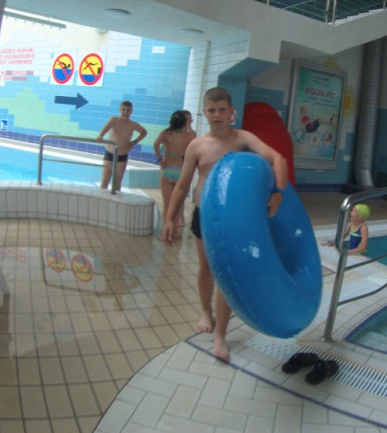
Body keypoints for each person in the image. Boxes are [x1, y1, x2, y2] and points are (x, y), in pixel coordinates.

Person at [159, 87, 287, 362]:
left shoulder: (244, 139)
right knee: (206, 268)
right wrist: (169, 218)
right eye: (211, 110)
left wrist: (278, 192)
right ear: (204, 112)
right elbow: (182, 185)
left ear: (231, 112)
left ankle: (221, 335)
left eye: (221, 110)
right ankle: (206, 311)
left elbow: (278, 159)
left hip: (234, 219)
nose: (216, 115)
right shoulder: (197, 146)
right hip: (204, 214)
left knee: (226, 274)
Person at [153, 110, 195, 242]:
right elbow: (194, 148)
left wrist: (160, 158)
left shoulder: (166, 133)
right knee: (176, 205)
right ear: (184, 122)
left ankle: (165, 234)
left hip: (167, 169)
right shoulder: (189, 136)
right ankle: (174, 233)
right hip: (180, 171)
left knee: (167, 205)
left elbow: (155, 144)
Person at [96, 101, 147, 192]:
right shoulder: (114, 119)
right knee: (105, 179)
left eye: (128, 110)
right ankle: (101, 198)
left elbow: (144, 132)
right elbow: (106, 127)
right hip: (110, 153)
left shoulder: (133, 124)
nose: (125, 112)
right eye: (123, 110)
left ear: (131, 111)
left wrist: (134, 142)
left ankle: (115, 199)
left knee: (117, 182)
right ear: (120, 110)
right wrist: (100, 136)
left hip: (123, 155)